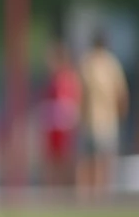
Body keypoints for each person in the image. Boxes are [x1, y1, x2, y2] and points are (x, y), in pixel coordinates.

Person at [77, 31, 129, 196]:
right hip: (106, 120)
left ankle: (90, 195)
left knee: (90, 161)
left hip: (92, 119)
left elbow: (81, 94)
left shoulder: (88, 63)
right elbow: (122, 94)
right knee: (102, 161)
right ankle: (101, 194)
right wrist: (121, 115)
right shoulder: (111, 63)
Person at [39, 41, 81, 188]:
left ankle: (65, 190)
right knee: (51, 163)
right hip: (53, 128)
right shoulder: (52, 80)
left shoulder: (68, 79)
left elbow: (71, 104)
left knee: (65, 162)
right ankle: (53, 190)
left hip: (64, 129)